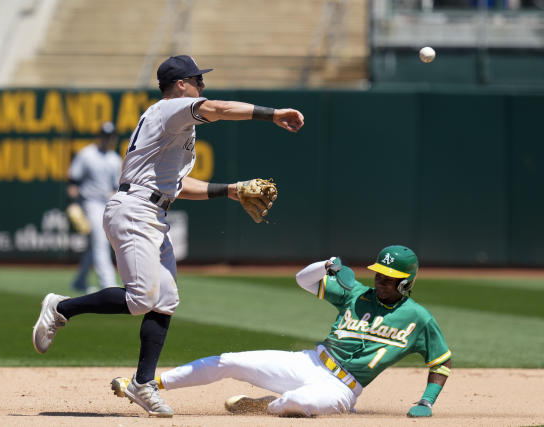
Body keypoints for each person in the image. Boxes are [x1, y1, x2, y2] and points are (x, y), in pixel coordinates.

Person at [32, 55, 304, 418]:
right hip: (135, 210)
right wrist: (273, 114)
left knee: (166, 299)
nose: (202, 86)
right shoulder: (172, 109)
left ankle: (143, 383)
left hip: (153, 211)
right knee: (141, 298)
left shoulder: (176, 130)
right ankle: (61, 307)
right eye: (197, 80)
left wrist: (229, 190)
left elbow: (175, 186)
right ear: (180, 85)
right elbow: (220, 108)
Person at [111, 245, 452, 418]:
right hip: (310, 362)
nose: (379, 281)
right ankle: (149, 384)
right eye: (377, 274)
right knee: (228, 361)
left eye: (387, 279)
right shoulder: (356, 294)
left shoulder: (418, 319)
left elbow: (440, 362)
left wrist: (426, 401)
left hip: (343, 388)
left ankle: (265, 406)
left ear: (405, 283)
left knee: (297, 403)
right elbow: (303, 280)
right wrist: (326, 266)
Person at [67, 121, 122, 293]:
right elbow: (73, 181)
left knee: (96, 245)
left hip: (109, 204)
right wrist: (73, 204)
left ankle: (80, 281)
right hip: (90, 203)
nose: (107, 140)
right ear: (99, 136)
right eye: (104, 136)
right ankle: (108, 284)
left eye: (110, 137)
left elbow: (117, 186)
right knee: (100, 242)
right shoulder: (86, 154)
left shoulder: (115, 159)